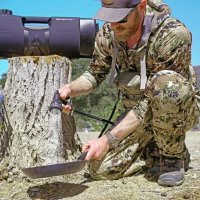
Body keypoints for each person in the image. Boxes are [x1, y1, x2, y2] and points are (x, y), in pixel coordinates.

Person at [59, 0, 200, 187]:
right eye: (110, 18)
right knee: (99, 168)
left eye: (120, 19)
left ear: (141, 6)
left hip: (175, 109)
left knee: (167, 84)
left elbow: (157, 99)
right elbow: (94, 73)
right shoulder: (108, 33)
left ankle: (172, 157)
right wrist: (69, 89)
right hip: (135, 112)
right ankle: (151, 151)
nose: (114, 25)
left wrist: (108, 140)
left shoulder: (172, 34)